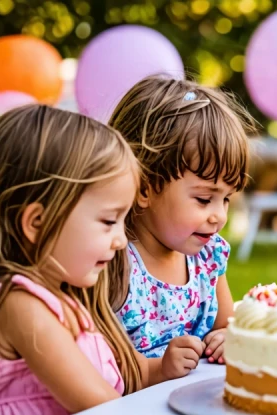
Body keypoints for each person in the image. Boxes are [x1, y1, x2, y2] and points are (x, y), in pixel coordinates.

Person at [0, 106, 199, 415]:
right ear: (37, 223)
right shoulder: (19, 306)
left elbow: (119, 379)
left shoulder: (67, 298)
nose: (119, 240)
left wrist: (160, 368)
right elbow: (101, 406)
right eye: (108, 221)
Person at [108, 76, 255, 362]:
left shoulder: (208, 258)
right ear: (144, 187)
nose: (219, 217)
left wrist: (228, 337)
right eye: (203, 199)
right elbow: (98, 360)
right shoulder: (115, 263)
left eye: (226, 199)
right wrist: (157, 369)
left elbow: (227, 324)